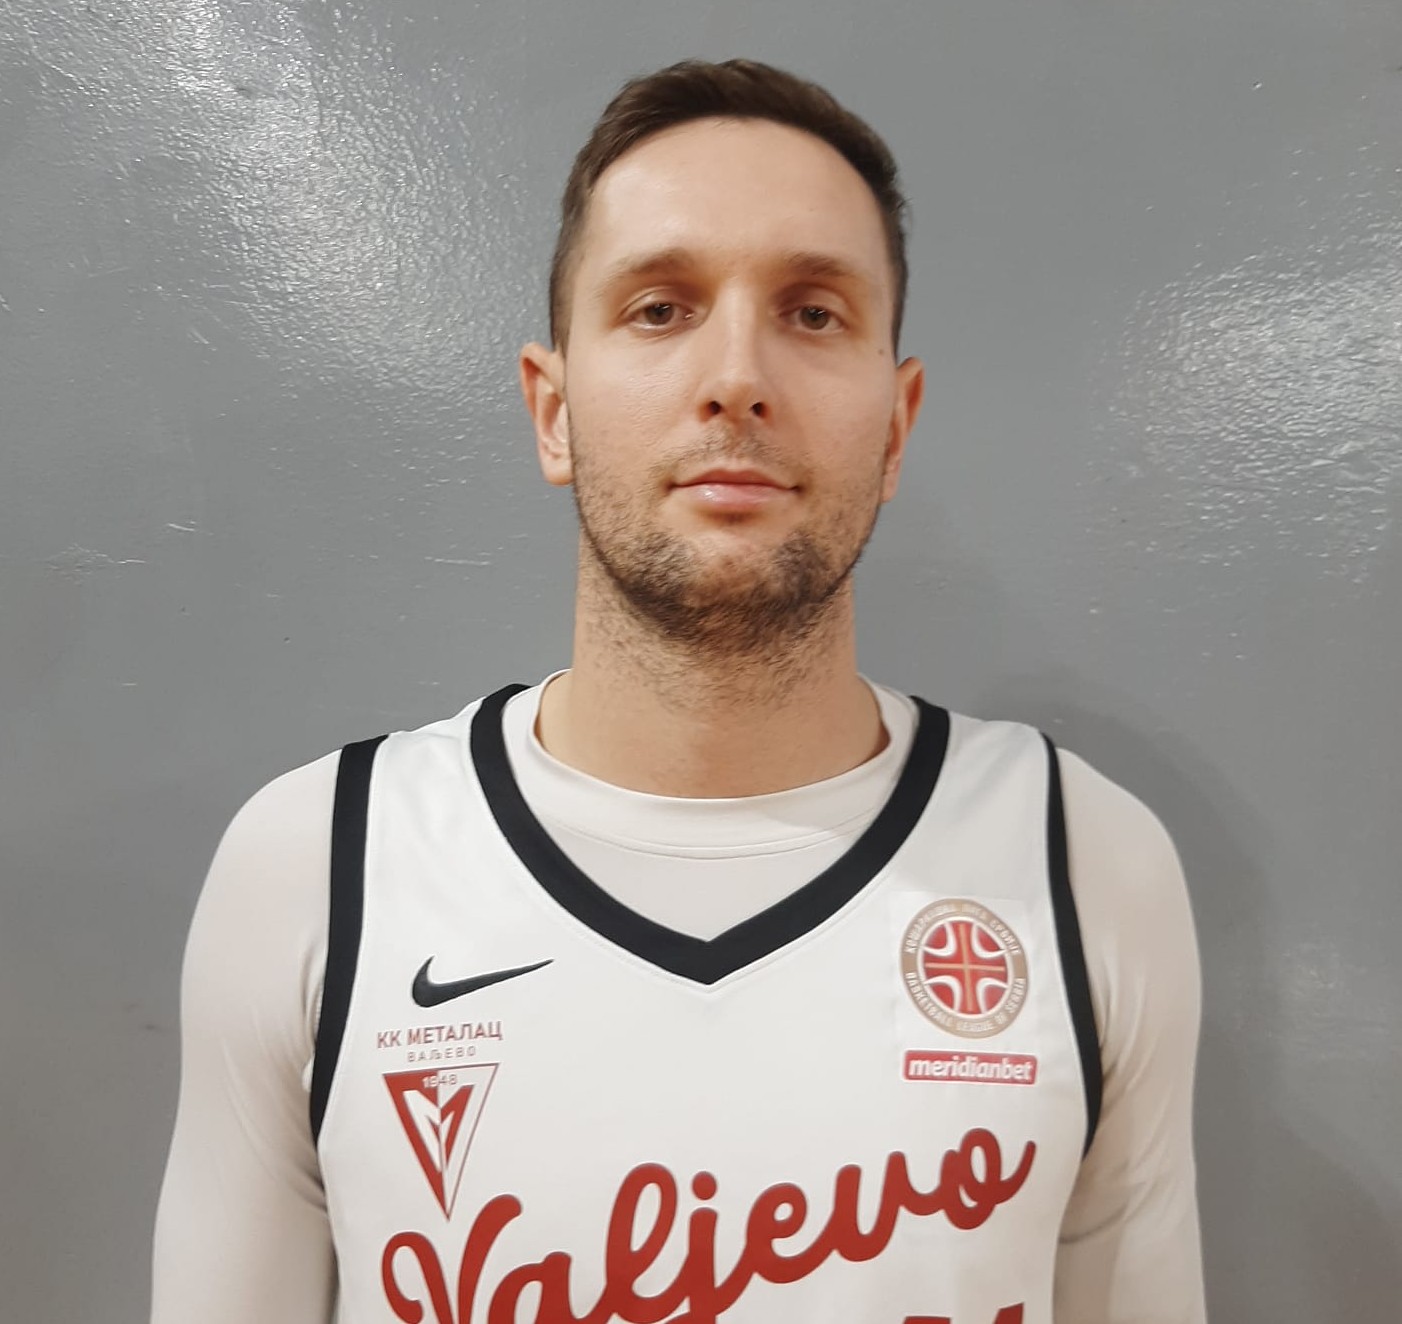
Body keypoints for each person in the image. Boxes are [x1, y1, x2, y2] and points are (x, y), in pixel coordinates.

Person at [151, 58, 1205, 1324]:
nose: (737, 375)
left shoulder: (1082, 858)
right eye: (660, 308)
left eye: (813, 312)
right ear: (553, 412)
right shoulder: (319, 862)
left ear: (895, 425)